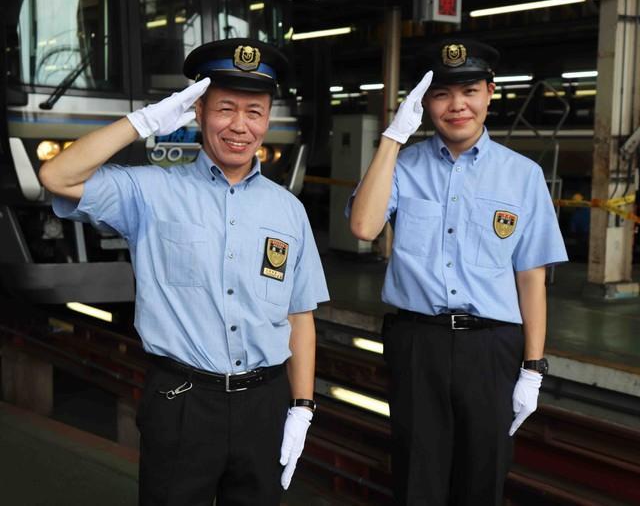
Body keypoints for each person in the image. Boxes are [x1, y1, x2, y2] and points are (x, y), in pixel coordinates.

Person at [39, 38, 329, 506]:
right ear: (197, 113)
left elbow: (300, 315)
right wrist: (143, 121)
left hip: (264, 404)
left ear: (268, 119)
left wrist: (301, 407)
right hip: (182, 400)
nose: (240, 126)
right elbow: (57, 177)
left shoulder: (289, 211)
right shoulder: (150, 191)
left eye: (254, 112)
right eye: (225, 109)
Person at [348, 39, 568, 505]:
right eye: (442, 94)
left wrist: (532, 367)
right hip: (417, 343)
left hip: (491, 349)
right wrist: (392, 138)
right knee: (416, 479)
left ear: (490, 93)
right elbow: (364, 227)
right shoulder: (401, 168)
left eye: (469, 90)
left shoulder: (522, 175)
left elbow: (531, 278)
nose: (457, 106)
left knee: (482, 478)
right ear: (425, 104)